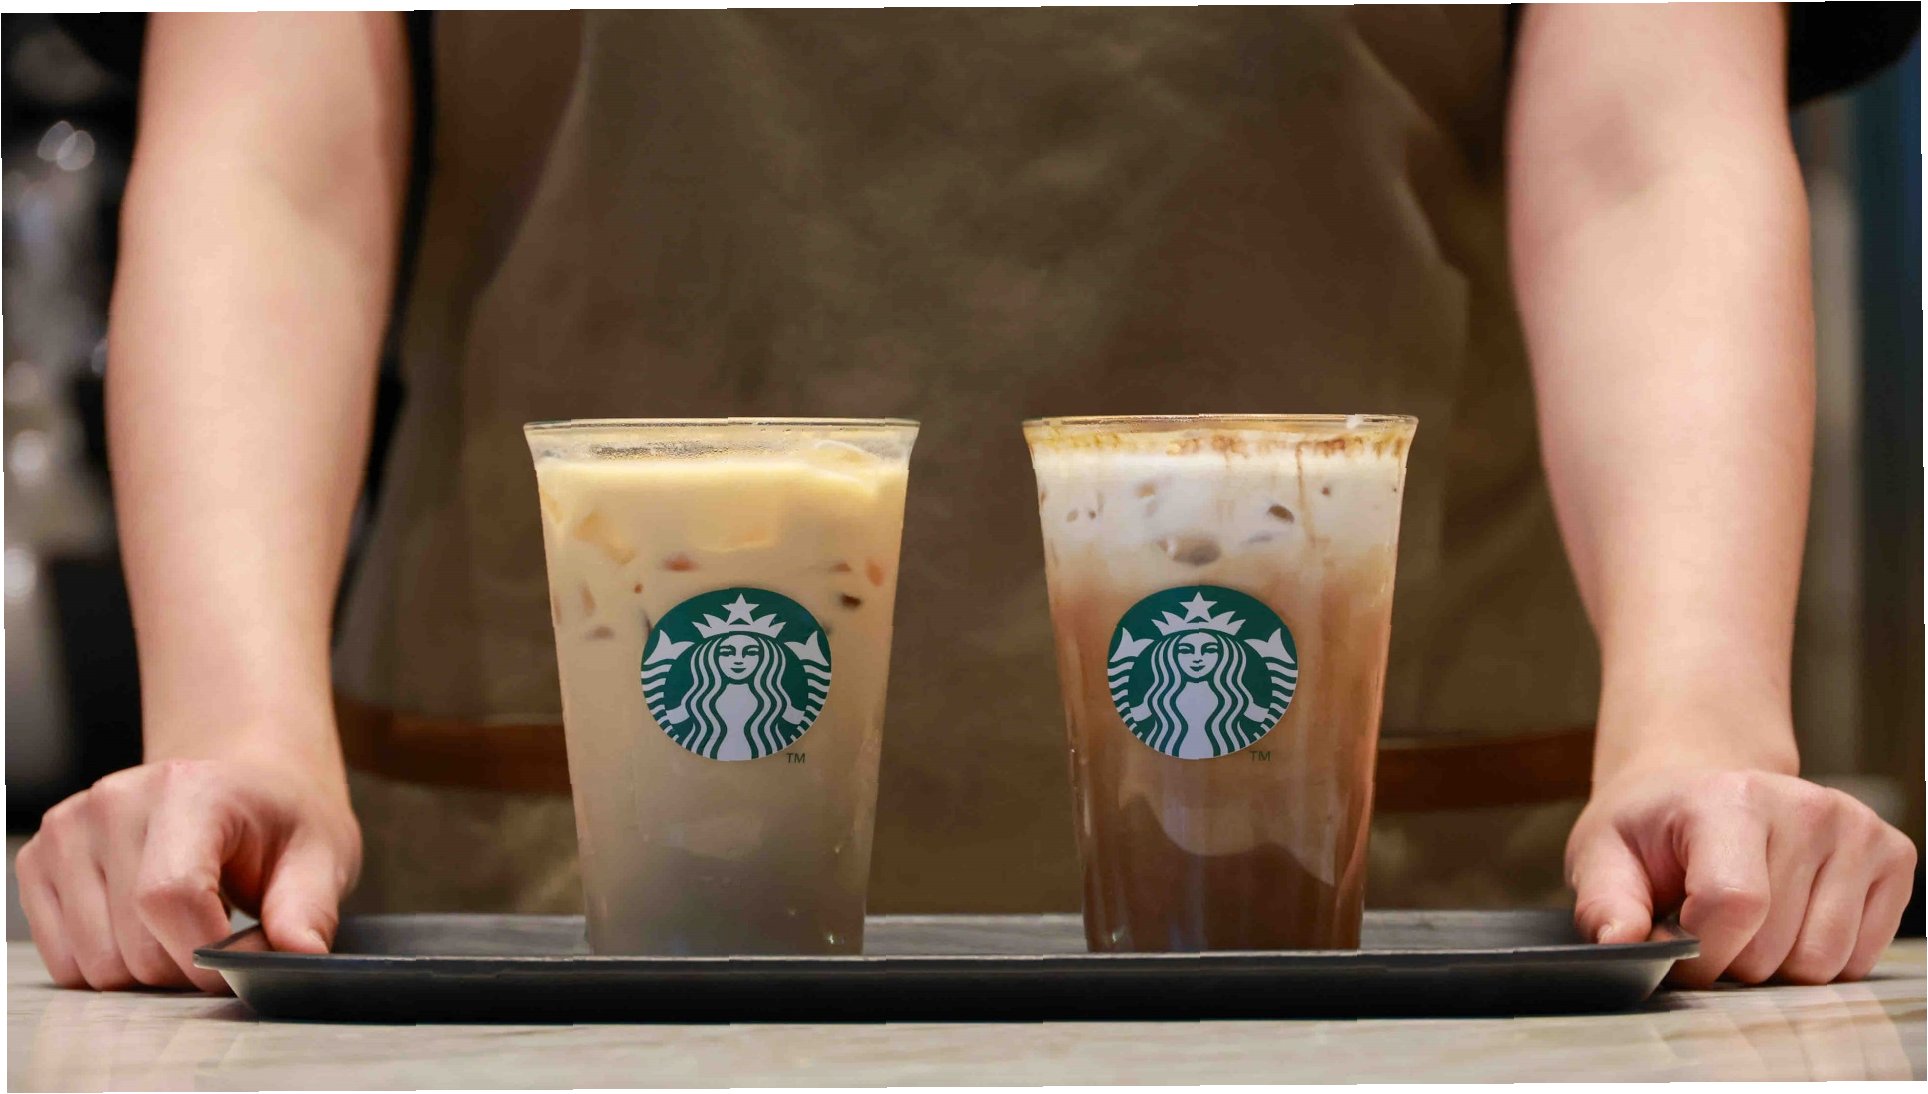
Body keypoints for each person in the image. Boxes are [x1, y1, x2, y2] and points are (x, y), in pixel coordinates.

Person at [19, 6, 1919, 995]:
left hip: (1404, 907)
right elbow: (270, 157)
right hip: (557, 907)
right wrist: (236, 731)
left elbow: (1646, 147)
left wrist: (1696, 718)